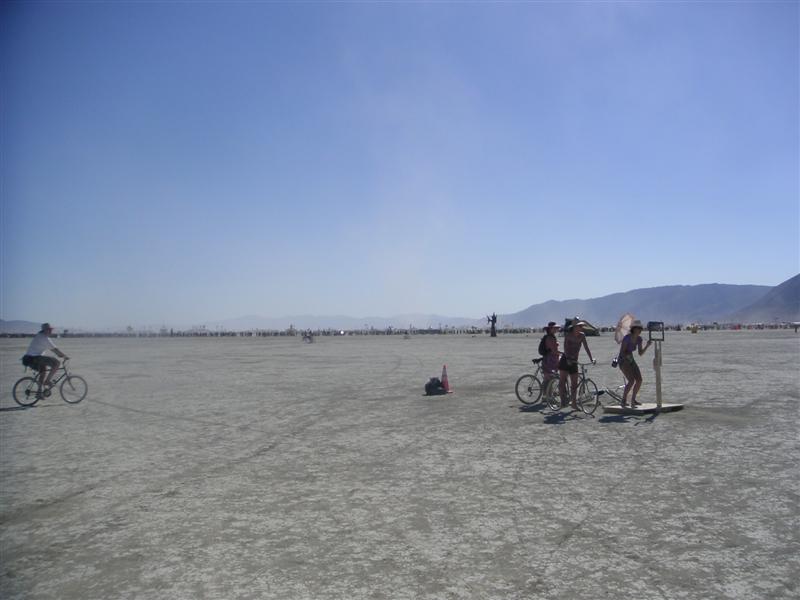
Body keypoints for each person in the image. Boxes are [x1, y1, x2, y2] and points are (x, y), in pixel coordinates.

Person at [559, 320, 595, 410]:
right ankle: (562, 400)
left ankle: (574, 403)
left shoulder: (582, 335)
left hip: (574, 361)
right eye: (579, 326)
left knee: (574, 384)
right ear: (574, 327)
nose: (581, 328)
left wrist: (591, 358)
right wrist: (567, 359)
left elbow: (586, 347)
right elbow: (565, 348)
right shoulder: (568, 335)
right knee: (562, 381)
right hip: (565, 360)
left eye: (582, 326)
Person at [22, 323, 68, 391]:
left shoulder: (39, 335)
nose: (50, 331)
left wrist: (60, 354)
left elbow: (54, 349)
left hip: (30, 358)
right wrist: (64, 356)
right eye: (49, 329)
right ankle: (47, 381)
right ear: (44, 330)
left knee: (43, 372)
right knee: (57, 363)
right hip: (34, 358)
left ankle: (39, 393)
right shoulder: (44, 338)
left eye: (51, 329)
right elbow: (55, 350)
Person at [617, 319, 652, 407]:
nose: (640, 330)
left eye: (640, 329)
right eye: (638, 328)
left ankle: (633, 400)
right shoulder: (627, 338)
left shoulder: (639, 339)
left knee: (639, 380)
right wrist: (628, 358)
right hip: (623, 360)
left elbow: (640, 353)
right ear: (634, 329)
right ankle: (624, 400)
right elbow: (622, 352)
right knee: (631, 380)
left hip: (631, 360)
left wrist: (647, 345)